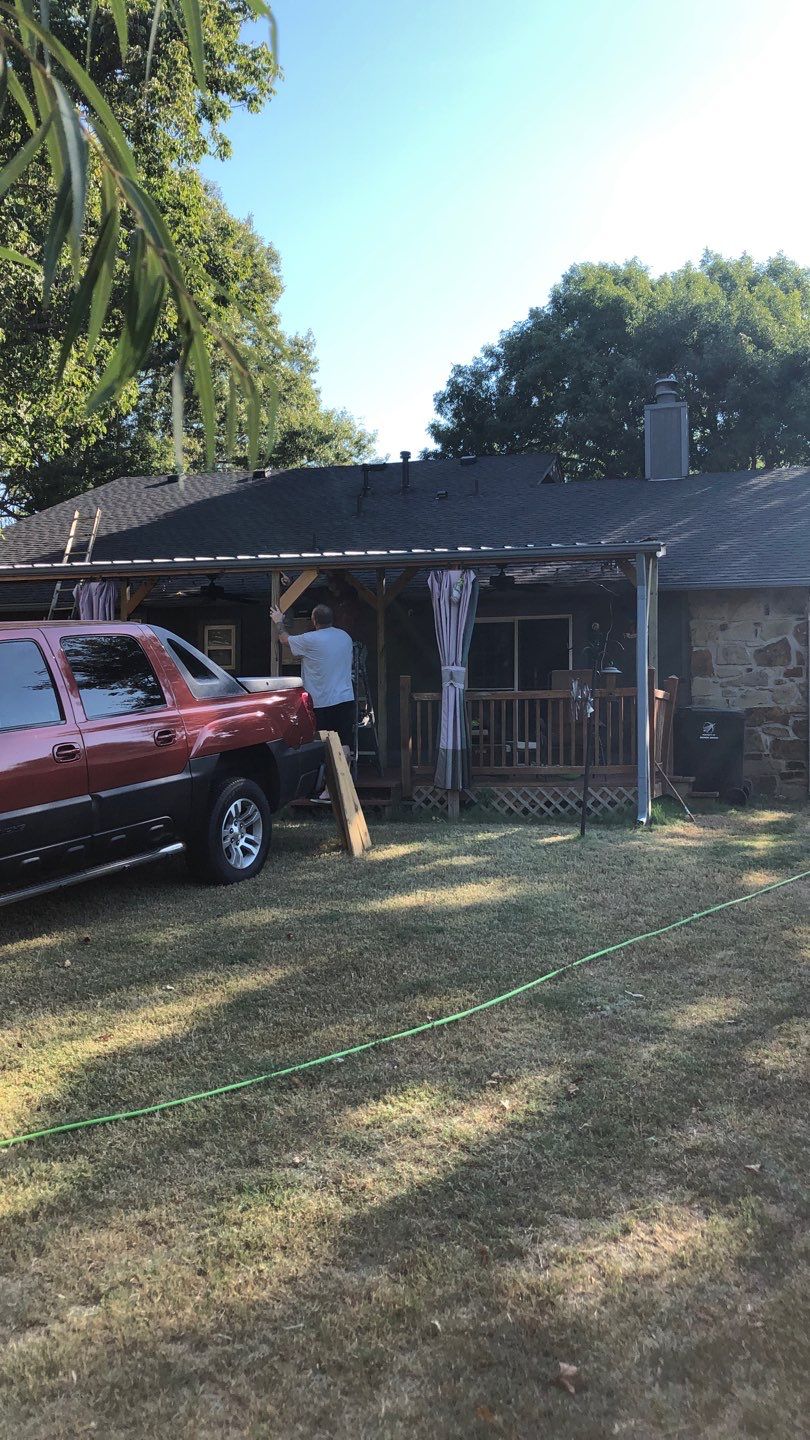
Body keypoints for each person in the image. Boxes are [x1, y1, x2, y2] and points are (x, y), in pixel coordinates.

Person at [269, 602, 355, 789]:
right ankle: (346, 786)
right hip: (346, 699)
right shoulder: (345, 637)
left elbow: (284, 639)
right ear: (332, 619)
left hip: (321, 701)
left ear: (314, 620)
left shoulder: (310, 639)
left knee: (324, 746)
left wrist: (278, 621)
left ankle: (329, 789)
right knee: (345, 744)